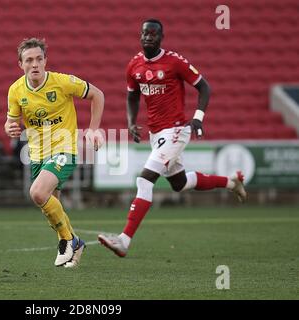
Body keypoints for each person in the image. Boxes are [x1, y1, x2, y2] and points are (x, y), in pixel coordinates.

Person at [98, 19, 247, 257]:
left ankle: (124, 240)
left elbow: (205, 87)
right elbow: (132, 96)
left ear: (161, 38)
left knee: (144, 180)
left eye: (154, 34)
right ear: (140, 36)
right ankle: (231, 183)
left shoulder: (175, 62)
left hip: (177, 130)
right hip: (157, 134)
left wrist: (197, 117)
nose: (149, 37)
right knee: (179, 184)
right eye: (145, 33)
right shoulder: (134, 65)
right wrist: (130, 121)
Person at [4, 38, 104, 267]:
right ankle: (74, 243)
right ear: (21, 64)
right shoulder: (16, 90)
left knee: (38, 193)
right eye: (29, 60)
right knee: (51, 207)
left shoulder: (62, 82)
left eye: (39, 59)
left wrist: (93, 129)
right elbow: (10, 122)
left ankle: (68, 240)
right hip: (37, 154)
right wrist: (9, 127)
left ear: (45, 61)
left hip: (64, 148)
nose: (35, 64)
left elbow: (97, 95)